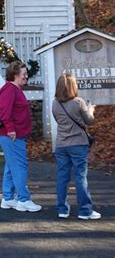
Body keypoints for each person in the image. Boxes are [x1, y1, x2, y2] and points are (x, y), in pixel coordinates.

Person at [0, 60, 42, 212]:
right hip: (11, 135)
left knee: (11, 166)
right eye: (24, 74)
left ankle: (8, 198)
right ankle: (23, 199)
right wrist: (10, 129)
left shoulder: (15, 89)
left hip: (14, 134)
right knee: (20, 166)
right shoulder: (9, 90)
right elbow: (4, 111)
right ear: (15, 75)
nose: (26, 76)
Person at [52, 73, 100, 220]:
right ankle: (85, 211)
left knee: (62, 177)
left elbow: (58, 120)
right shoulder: (78, 102)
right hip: (78, 144)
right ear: (73, 86)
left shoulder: (55, 103)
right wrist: (90, 109)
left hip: (61, 144)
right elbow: (89, 120)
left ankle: (62, 209)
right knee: (80, 177)